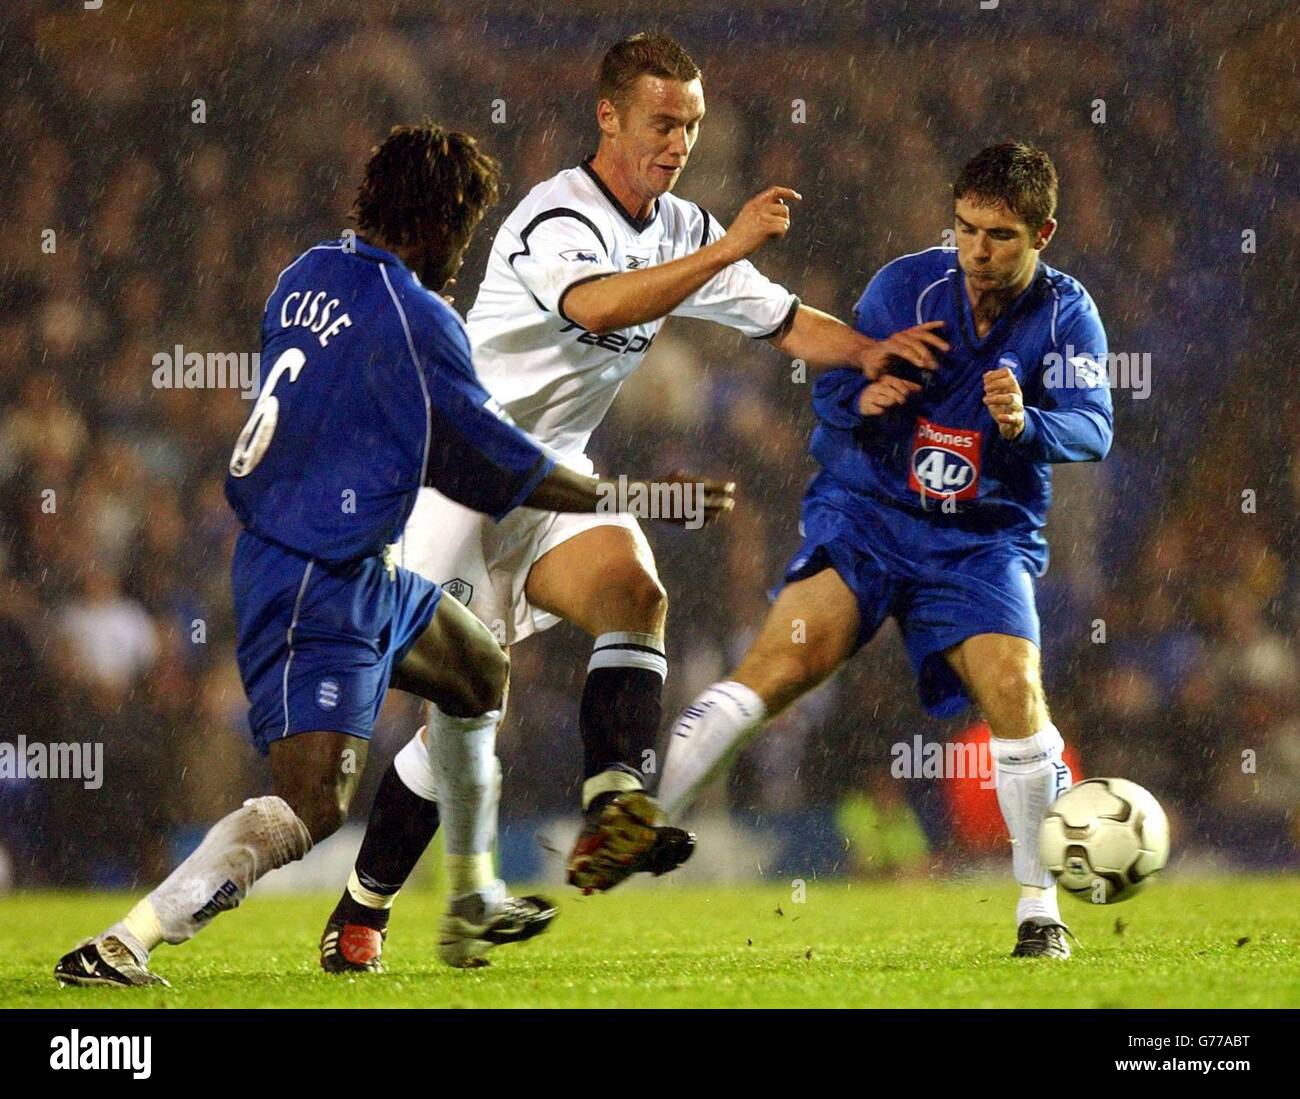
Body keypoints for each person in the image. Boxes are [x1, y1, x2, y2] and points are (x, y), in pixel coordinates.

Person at [320, 32, 947, 970]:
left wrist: (866, 352)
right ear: (608, 115)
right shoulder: (552, 216)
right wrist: (729, 245)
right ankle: (362, 906)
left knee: (635, 593)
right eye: (662, 121)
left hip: (546, 478)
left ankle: (614, 803)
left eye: (691, 125)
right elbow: (598, 308)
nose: (679, 142)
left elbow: (776, 317)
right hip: (448, 482)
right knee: (460, 723)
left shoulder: (685, 229)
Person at [54, 121, 731, 987]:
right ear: (440, 221)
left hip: (352, 562)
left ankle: (474, 892)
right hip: (312, 577)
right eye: (464, 227)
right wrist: (631, 496)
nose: (463, 251)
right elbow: (498, 466)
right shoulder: (420, 318)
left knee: (480, 667)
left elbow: (384, 421)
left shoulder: (306, 275)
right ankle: (127, 939)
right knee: (314, 804)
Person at [656, 142, 1113, 960]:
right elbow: (831, 389)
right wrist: (863, 394)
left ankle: (1039, 910)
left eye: (1002, 235)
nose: (978, 249)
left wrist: (1024, 425)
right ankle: (647, 821)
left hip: (978, 539)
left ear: (1045, 230)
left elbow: (1095, 426)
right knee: (782, 664)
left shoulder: (1067, 316)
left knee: (1014, 688)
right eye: (967, 228)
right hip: (870, 513)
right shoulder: (905, 286)